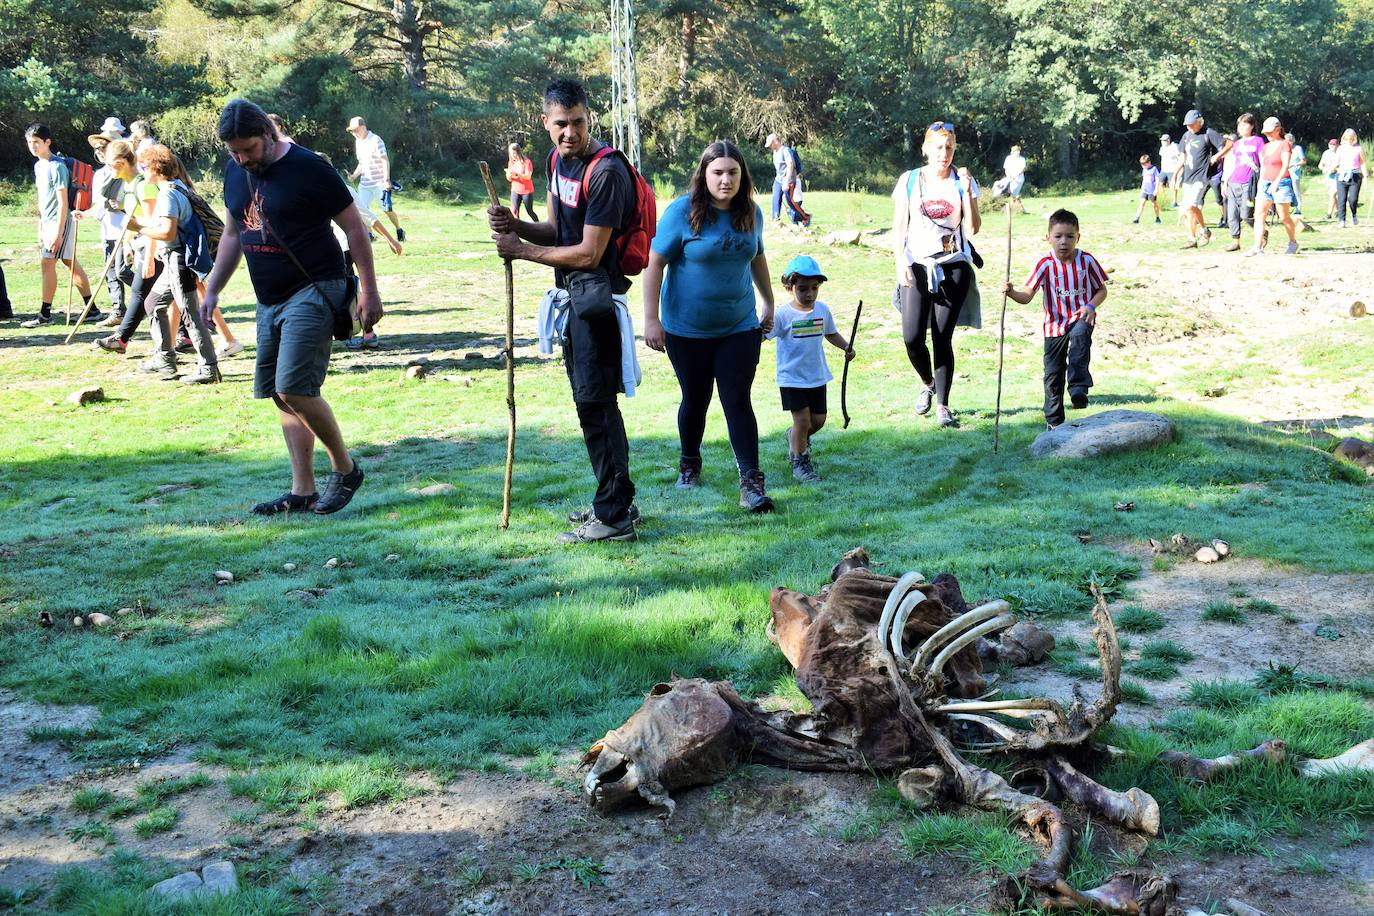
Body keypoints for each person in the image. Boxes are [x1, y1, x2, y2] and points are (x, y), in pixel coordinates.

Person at [202, 99, 382, 515]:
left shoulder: (309, 167)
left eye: (249, 149)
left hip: (315, 288)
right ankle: (303, 490)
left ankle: (346, 468)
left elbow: (354, 227)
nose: (243, 159)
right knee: (280, 396)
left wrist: (370, 291)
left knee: (293, 387)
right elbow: (232, 234)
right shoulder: (235, 171)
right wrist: (213, 288)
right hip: (269, 297)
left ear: (268, 133)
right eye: (234, 152)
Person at [488, 78, 639, 541]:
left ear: (589, 117)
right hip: (573, 298)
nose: (569, 132)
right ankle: (617, 504)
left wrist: (519, 250)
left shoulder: (607, 171)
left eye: (578, 122)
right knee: (589, 404)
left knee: (596, 406)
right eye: (561, 124)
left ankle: (613, 517)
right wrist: (518, 226)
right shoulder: (556, 162)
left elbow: (590, 252)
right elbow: (559, 231)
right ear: (545, 122)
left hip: (598, 302)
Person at [642, 139, 776, 513]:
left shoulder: (751, 212)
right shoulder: (682, 213)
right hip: (687, 331)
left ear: (742, 176)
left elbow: (758, 256)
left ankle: (751, 483)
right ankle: (689, 464)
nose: (725, 180)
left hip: (739, 326)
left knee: (737, 399)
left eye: (733, 172)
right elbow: (654, 264)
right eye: (718, 172)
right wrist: (652, 320)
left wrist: (768, 301)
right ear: (704, 174)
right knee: (696, 399)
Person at [891, 121, 982, 429]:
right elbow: (898, 227)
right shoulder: (910, 180)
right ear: (926, 149)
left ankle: (943, 405)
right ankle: (928, 382)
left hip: (953, 266)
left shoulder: (963, 180)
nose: (944, 154)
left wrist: (969, 193)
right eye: (939, 147)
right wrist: (899, 262)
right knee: (912, 337)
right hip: (916, 264)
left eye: (950, 147)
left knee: (942, 338)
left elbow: (973, 228)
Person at [1001, 209, 1107, 430]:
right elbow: (1027, 296)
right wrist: (1011, 292)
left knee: (1079, 338)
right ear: (1048, 237)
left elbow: (1101, 290)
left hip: (1081, 317)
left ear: (1078, 237)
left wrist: (1090, 306)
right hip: (1053, 325)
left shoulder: (1086, 261)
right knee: (1052, 374)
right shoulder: (1044, 264)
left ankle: (1078, 389)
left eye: (1070, 236)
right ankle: (1054, 422)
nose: (1064, 242)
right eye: (1058, 236)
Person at [124, 144, 221, 383]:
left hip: (179, 262)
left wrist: (139, 227)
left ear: (156, 168)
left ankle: (209, 368)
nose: (142, 171)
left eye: (145, 167)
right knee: (153, 303)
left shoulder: (168, 193)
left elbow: (167, 232)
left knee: (190, 314)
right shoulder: (178, 187)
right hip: (173, 259)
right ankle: (165, 358)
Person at [766, 255, 853, 482]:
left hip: (816, 376)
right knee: (802, 421)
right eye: (803, 289)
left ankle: (795, 437)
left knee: (819, 421)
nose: (810, 294)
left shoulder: (822, 310)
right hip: (791, 379)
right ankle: (800, 462)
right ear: (790, 287)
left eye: (814, 288)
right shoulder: (783, 315)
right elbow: (762, 335)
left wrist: (846, 347)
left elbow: (830, 333)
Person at [20, 124, 103, 328]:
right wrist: (40, 226)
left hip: (61, 221)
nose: (33, 147)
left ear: (48, 142)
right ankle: (92, 310)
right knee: (67, 262)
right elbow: (42, 200)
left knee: (54, 263)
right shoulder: (38, 166)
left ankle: (45, 314)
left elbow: (62, 201)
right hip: (47, 222)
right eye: (30, 143)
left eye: (37, 142)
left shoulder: (56, 166)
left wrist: (57, 233)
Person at [94, 140, 158, 354]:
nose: (109, 170)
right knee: (159, 296)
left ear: (121, 163)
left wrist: (149, 256)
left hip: (155, 247)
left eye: (111, 165)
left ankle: (121, 339)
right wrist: (128, 242)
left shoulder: (143, 185)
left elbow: (153, 223)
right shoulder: (129, 187)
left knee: (143, 294)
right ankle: (183, 336)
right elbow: (133, 220)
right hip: (140, 246)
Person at [78, 126, 133, 326]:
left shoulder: (126, 173)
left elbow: (138, 201)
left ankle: (150, 295)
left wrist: (122, 206)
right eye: (97, 148)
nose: (99, 151)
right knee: (111, 274)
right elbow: (97, 205)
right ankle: (118, 310)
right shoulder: (99, 175)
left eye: (103, 146)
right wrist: (83, 213)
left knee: (123, 271)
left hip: (125, 230)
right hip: (107, 229)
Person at [1172, 110, 1231, 249]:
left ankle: (1198, 234)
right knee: (1190, 209)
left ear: (1200, 121)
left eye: (1192, 124)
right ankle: (1197, 235)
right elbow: (1182, 157)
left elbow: (1229, 144)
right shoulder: (1186, 136)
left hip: (1202, 176)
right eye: (1187, 125)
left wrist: (1217, 156)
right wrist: (1175, 175)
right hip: (1188, 177)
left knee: (1189, 205)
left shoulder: (1208, 133)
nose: (1190, 127)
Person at [347, 116, 406, 242]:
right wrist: (354, 175)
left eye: (355, 130)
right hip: (365, 184)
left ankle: (399, 229)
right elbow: (362, 163)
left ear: (363, 128)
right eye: (352, 131)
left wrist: (386, 180)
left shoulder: (375, 140)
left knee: (387, 209)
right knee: (362, 211)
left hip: (379, 182)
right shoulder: (358, 143)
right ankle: (370, 235)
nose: (354, 133)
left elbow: (384, 160)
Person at [1249, 117, 1299, 256]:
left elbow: (1285, 165)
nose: (1268, 135)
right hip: (1265, 183)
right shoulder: (1265, 147)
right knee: (1259, 215)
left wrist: (1276, 182)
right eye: (1266, 133)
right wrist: (1260, 185)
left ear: (1278, 130)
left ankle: (1293, 242)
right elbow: (1264, 166)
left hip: (1282, 183)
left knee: (1284, 216)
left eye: (1270, 132)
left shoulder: (1285, 144)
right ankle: (1257, 247)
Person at [1222, 113, 1264, 251]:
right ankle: (1235, 241)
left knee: (1246, 214)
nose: (1241, 127)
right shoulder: (1236, 144)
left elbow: (1262, 162)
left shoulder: (1258, 141)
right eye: (1239, 125)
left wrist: (1262, 181)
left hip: (1249, 182)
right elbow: (1231, 163)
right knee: (1232, 213)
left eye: (1245, 124)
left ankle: (1262, 232)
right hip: (1234, 181)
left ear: (1252, 126)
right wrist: (1225, 181)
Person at [764, 133, 809, 227]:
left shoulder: (785, 151)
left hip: (789, 181)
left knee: (790, 202)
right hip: (778, 180)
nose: (769, 147)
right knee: (775, 198)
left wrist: (786, 181)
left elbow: (790, 165)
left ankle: (805, 217)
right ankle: (775, 219)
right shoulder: (775, 152)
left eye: (770, 144)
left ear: (775, 141)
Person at [1334, 128, 1366, 227]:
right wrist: (1330, 169)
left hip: (1355, 175)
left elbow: (1362, 162)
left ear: (1354, 138)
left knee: (1353, 199)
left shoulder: (1358, 148)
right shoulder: (1340, 148)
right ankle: (1342, 220)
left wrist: (1366, 175)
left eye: (1351, 139)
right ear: (1344, 138)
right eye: (1347, 139)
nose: (1349, 141)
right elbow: (1336, 162)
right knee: (1341, 199)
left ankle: (1353, 214)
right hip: (1342, 175)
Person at [505, 141, 538, 220]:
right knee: (514, 211)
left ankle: (539, 225)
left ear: (518, 152)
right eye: (511, 153)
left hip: (526, 191)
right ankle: (517, 230)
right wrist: (509, 175)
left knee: (529, 211)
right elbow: (509, 179)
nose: (513, 155)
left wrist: (517, 174)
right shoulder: (511, 162)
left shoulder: (527, 162)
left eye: (514, 153)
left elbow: (528, 177)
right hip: (515, 190)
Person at [1133, 154, 1162, 224]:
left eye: (1144, 164)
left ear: (1149, 162)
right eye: (1142, 165)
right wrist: (1142, 189)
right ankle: (1137, 218)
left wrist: (1156, 189)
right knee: (1142, 203)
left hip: (1152, 190)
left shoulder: (1154, 169)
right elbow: (1144, 180)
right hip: (1145, 189)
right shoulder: (1144, 169)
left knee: (1154, 204)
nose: (1143, 166)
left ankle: (1157, 218)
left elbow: (1157, 179)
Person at [1002, 145, 1027, 213]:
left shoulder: (1022, 159)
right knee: (1013, 194)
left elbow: (1023, 168)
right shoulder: (1008, 158)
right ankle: (1018, 208)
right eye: (1017, 151)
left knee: (1014, 193)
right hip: (1010, 179)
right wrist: (1009, 176)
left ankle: (1014, 208)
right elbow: (1006, 168)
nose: (1018, 152)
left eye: (1019, 151)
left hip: (1019, 179)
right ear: (1013, 152)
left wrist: (1017, 174)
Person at [1319, 138, 1340, 219]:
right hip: (1328, 176)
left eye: (1334, 145)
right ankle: (1337, 211)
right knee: (1332, 195)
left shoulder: (1340, 153)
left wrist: (1335, 169)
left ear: (1337, 145)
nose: (1332, 146)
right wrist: (1324, 169)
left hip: (1337, 176)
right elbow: (1320, 165)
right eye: (1331, 145)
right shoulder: (1326, 153)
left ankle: (1329, 214)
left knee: (1333, 194)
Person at [1158, 134, 1181, 207]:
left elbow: (1180, 157)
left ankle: (1174, 201)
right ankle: (1163, 199)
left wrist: (1178, 169)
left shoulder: (1175, 146)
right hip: (1164, 169)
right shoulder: (1162, 148)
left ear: (1168, 140)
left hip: (1172, 169)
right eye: (1161, 140)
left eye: (1164, 140)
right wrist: (1161, 168)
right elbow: (1162, 159)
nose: (1162, 142)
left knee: (1173, 186)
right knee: (1159, 184)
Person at [1286, 133, 1306, 215]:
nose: (1288, 142)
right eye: (1287, 141)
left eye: (1290, 141)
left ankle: (1298, 208)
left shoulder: (1298, 148)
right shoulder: (1284, 149)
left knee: (1296, 191)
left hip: (1294, 173)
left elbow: (1303, 161)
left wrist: (1294, 164)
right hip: (1285, 173)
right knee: (1286, 191)